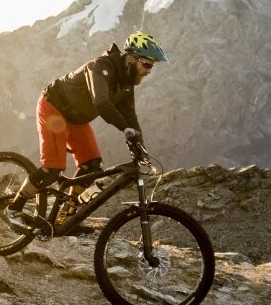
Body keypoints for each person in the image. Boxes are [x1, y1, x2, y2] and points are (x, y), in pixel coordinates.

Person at [12, 31, 166, 225]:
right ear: (130, 58)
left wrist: (140, 147)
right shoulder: (101, 67)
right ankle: (14, 208)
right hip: (54, 106)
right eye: (147, 64)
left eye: (152, 66)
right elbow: (101, 103)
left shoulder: (126, 84)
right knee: (53, 169)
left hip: (76, 118)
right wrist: (125, 130)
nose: (149, 70)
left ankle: (65, 218)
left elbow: (131, 117)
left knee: (92, 165)